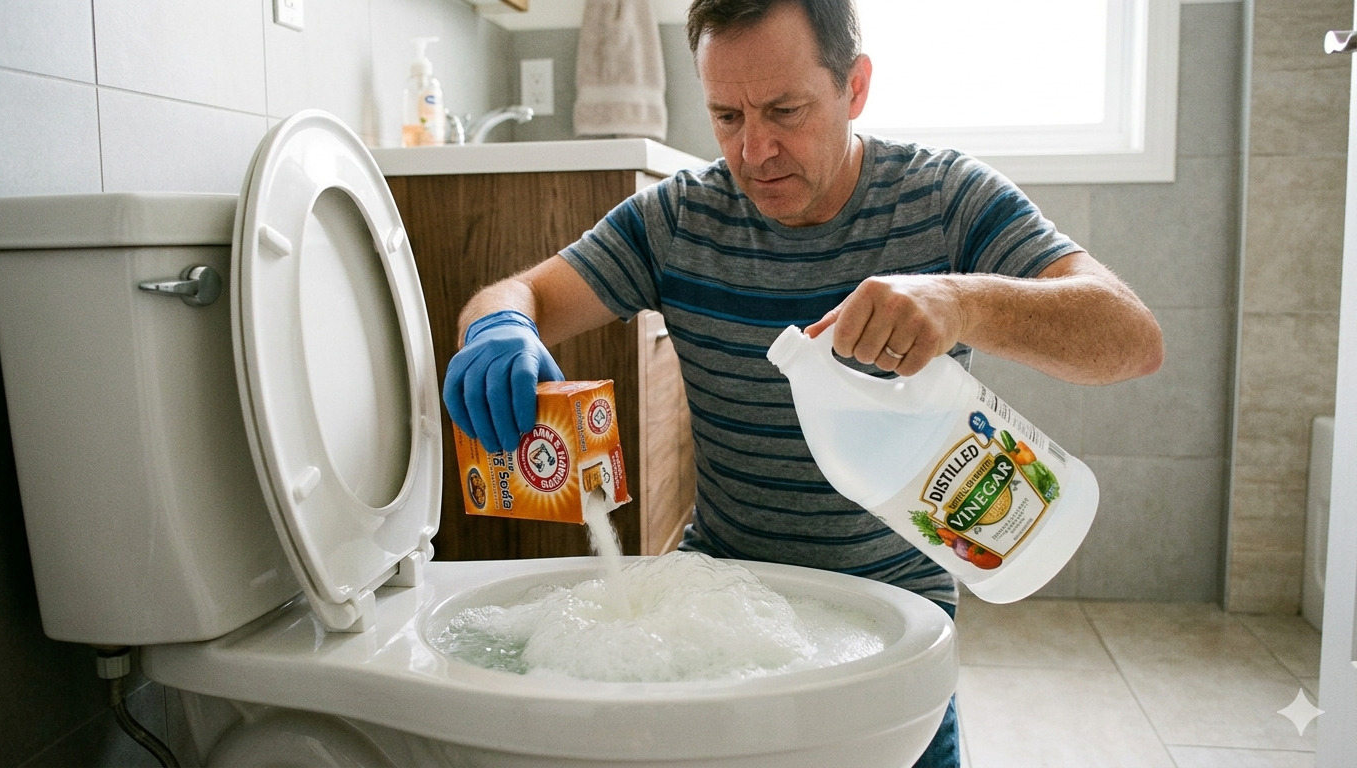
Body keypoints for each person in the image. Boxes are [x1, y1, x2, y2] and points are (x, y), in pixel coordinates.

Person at [442, 0, 1165, 764]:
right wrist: (498, 328)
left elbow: (1130, 338)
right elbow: (519, 294)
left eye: (786, 110)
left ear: (855, 87)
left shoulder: (943, 200)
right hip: (719, 619)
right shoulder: (680, 218)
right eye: (726, 116)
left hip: (894, 627)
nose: (754, 151)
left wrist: (961, 303)